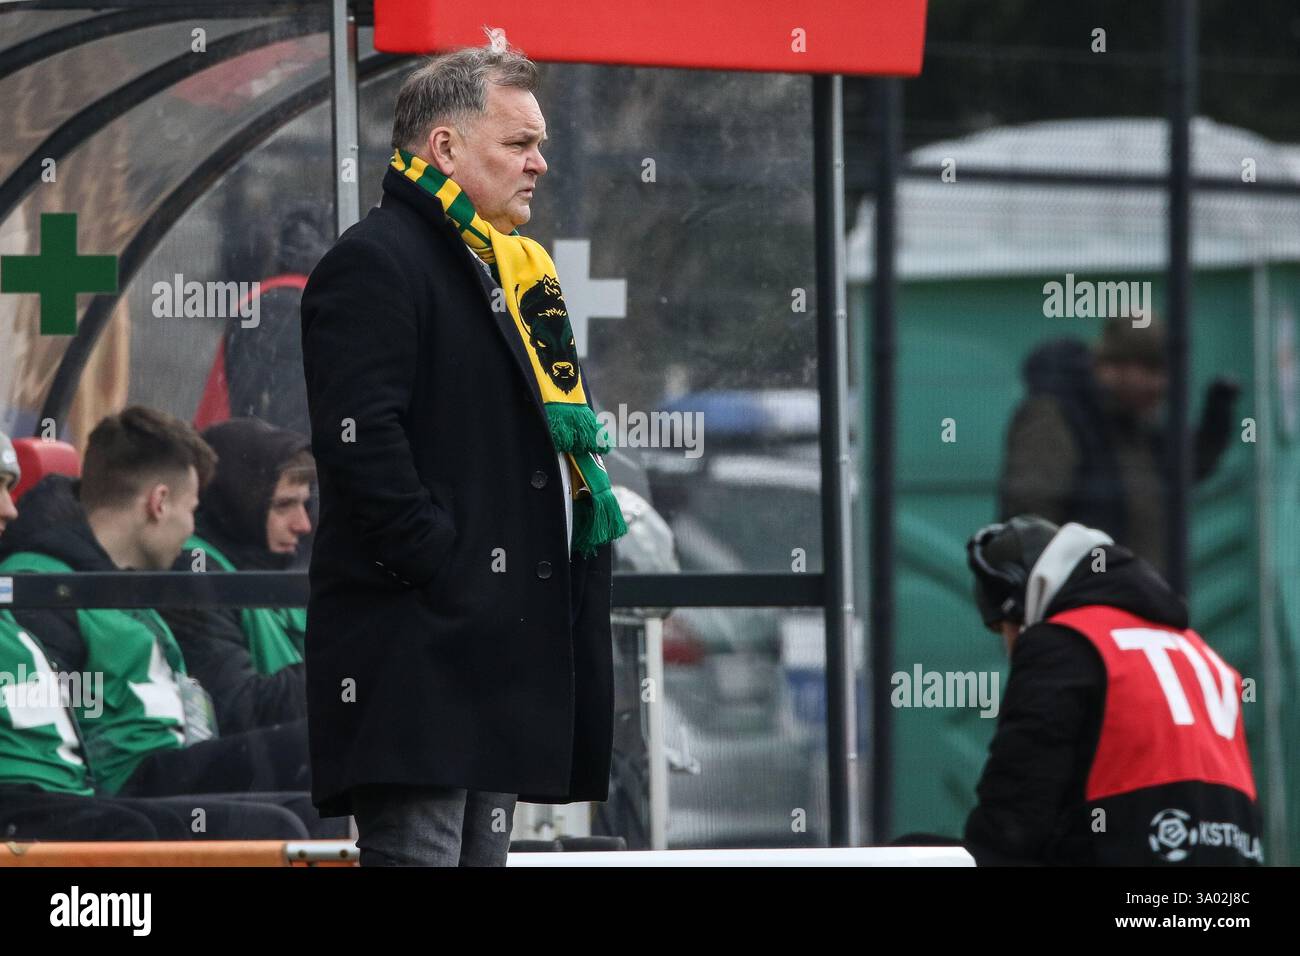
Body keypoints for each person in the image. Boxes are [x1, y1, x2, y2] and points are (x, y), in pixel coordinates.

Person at [300, 41, 626, 866]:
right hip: (422, 651)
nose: (541, 164)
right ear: (443, 148)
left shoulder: (511, 271)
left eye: (540, 144)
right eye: (518, 144)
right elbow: (361, 444)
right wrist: (443, 563)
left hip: (493, 648)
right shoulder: (376, 259)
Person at [0, 409, 343, 840]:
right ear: (159, 502)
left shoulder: (124, 587)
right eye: (191, 511)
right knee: (314, 763)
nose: (192, 533)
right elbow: (71, 721)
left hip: (167, 763)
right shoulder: (46, 587)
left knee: (308, 807)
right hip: (127, 780)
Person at [963, 514, 1263, 865]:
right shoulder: (1204, 654)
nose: (1009, 645)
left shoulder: (1063, 642)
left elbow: (1011, 824)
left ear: (1020, 606)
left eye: (1003, 628)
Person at [998, 317, 1239, 574]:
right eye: (1151, 370)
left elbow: (1184, 469)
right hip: (1087, 602)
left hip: (1129, 597)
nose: (1161, 385)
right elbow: (1031, 516)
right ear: (1111, 367)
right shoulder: (1057, 415)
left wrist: (1217, 420)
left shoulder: (1134, 423)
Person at [161, 417, 313, 733]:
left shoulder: (264, 566)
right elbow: (237, 709)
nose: (303, 524)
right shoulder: (195, 573)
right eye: (284, 505)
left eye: (305, 505)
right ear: (240, 500)